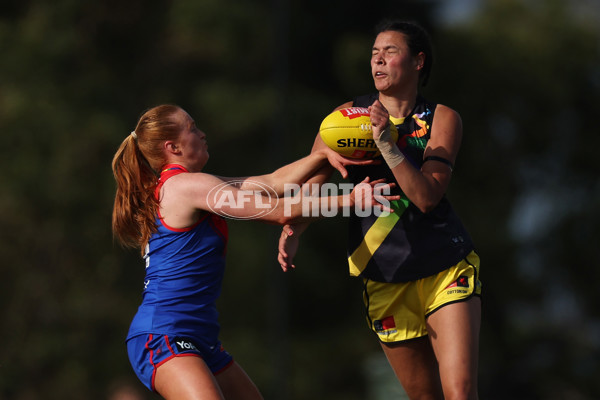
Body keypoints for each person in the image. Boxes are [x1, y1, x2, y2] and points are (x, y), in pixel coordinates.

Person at [111, 104, 395, 400]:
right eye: (192, 127)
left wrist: (321, 156)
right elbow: (280, 210)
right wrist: (350, 199)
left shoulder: (192, 185)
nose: (202, 133)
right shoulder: (186, 186)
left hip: (199, 336)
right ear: (173, 147)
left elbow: (273, 183)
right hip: (164, 335)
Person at [278, 20, 481, 400]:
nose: (379, 60)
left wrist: (387, 145)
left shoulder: (441, 119)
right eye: (374, 53)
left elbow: (426, 197)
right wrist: (292, 230)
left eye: (390, 52)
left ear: (418, 61)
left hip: (444, 265)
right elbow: (309, 187)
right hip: (385, 274)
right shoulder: (343, 119)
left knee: (460, 391)